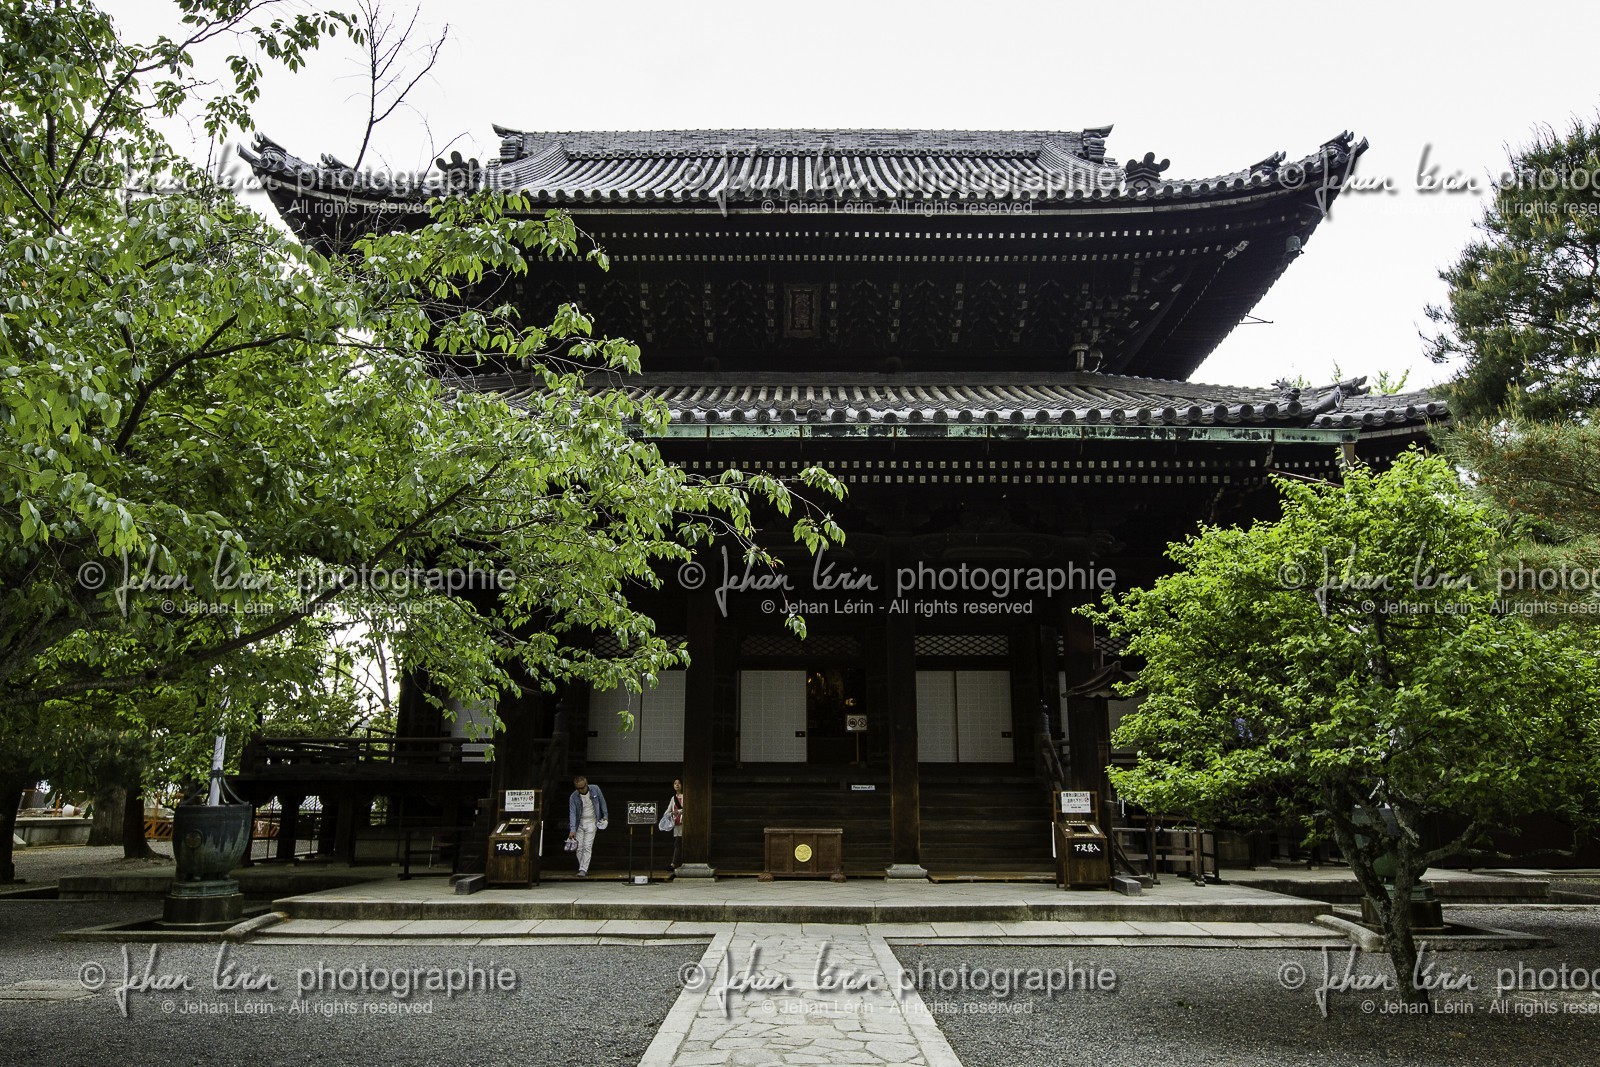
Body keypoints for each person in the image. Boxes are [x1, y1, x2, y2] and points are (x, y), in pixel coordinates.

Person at [566, 776, 608, 877]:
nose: (580, 790)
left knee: (587, 846)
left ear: (586, 784)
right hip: (579, 822)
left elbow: (602, 802)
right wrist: (572, 829)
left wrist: (605, 817)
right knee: (579, 847)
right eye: (578, 788)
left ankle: (583, 869)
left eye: (582, 787)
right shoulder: (573, 796)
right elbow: (572, 813)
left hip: (592, 821)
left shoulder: (595, 789)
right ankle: (583, 867)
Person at [665, 778, 684, 869]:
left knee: (678, 843)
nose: (677, 785)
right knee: (677, 843)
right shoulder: (673, 798)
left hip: (685, 823)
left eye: (679, 783)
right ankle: (675, 864)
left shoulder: (686, 796)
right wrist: (670, 814)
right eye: (675, 783)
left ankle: (673, 864)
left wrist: (678, 811)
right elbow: (668, 811)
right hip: (676, 824)